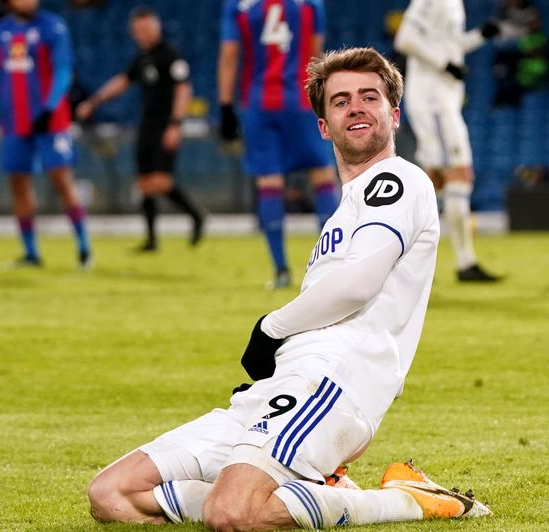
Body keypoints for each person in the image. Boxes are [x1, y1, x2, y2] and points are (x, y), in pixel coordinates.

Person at [87, 47, 491, 529]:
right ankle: (314, 493)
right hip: (278, 387)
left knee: (232, 513)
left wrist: (270, 327)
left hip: (333, 384)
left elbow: (358, 285)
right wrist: (277, 361)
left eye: (370, 97)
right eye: (341, 101)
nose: (356, 106)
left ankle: (407, 500)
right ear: (323, 126)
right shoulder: (345, 210)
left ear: (394, 115)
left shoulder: (400, 180)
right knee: (111, 494)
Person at [218, 0, 339, 289]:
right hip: (300, 101)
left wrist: (225, 107)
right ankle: (333, 267)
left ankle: (281, 269)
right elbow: (316, 56)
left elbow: (230, 54)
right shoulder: (310, 4)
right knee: (322, 175)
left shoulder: (238, 6)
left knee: (269, 182)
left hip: (258, 103)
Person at [76, 7, 205, 252]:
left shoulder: (170, 55)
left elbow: (183, 89)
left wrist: (175, 124)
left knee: (161, 182)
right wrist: (94, 102)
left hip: (165, 125)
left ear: (156, 27)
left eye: (148, 28)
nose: (144, 33)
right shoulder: (141, 58)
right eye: (139, 30)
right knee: (144, 183)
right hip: (146, 126)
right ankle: (151, 240)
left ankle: (196, 215)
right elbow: (123, 81)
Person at [394, 0, 504, 282]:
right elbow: (405, 38)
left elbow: (448, 45)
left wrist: (480, 36)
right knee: (459, 173)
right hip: (434, 103)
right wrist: (445, 65)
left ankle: (393, 258)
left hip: (441, 101)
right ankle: (464, 262)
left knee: (434, 184)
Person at [0, 0, 92, 269]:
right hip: (14, 121)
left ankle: (84, 249)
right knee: (18, 185)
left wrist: (49, 108)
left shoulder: (53, 27)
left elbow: (63, 71)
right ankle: (31, 253)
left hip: (50, 121)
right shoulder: (2, 30)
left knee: (62, 181)